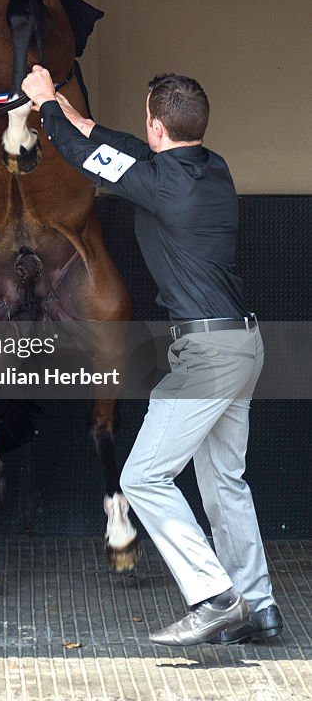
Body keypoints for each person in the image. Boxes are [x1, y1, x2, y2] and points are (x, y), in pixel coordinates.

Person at [21, 66, 281, 647]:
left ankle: (214, 596)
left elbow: (81, 154)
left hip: (209, 354)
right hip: (241, 344)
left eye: (147, 122)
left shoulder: (163, 185)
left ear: (157, 124)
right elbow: (116, 146)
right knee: (224, 482)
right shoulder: (211, 168)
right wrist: (71, 108)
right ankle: (258, 607)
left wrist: (43, 105)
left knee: (142, 476)